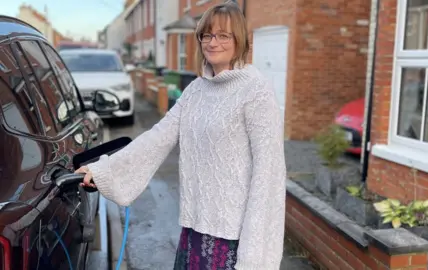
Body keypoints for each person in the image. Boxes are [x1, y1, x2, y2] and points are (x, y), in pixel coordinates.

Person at [75, 1, 286, 269]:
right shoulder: (196, 90)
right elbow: (158, 137)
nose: (213, 42)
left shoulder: (255, 91)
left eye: (223, 35)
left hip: (233, 236)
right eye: (206, 35)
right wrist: (103, 170)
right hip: (195, 228)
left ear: (240, 40)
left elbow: (268, 173)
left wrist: (256, 253)